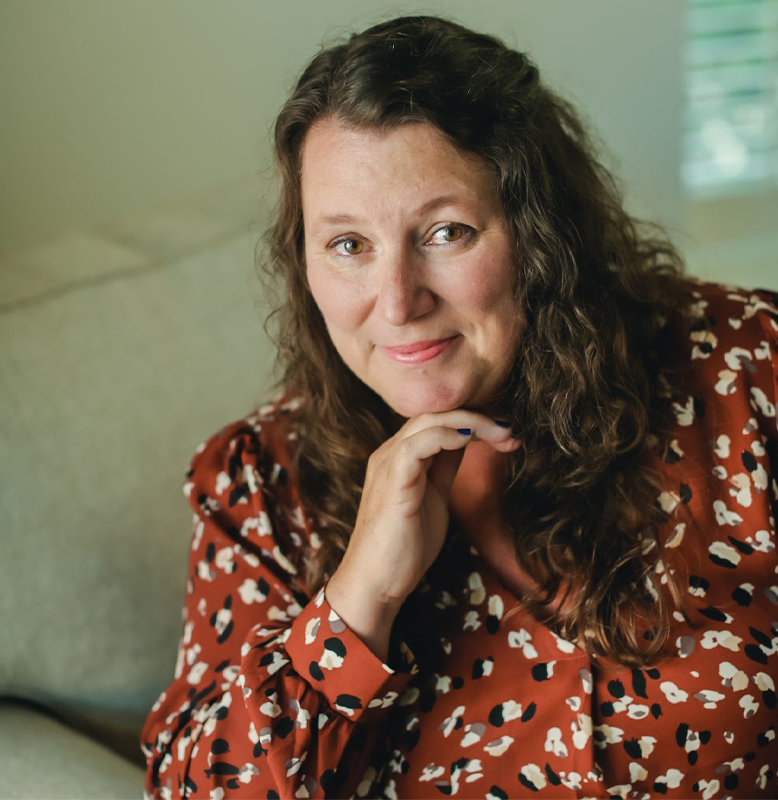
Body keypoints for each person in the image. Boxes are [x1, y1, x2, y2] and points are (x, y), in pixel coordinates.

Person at [140, 14, 778, 799]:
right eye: (349, 245)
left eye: (445, 232)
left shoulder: (747, 371)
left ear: (541, 235)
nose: (397, 302)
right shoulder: (261, 485)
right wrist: (359, 600)